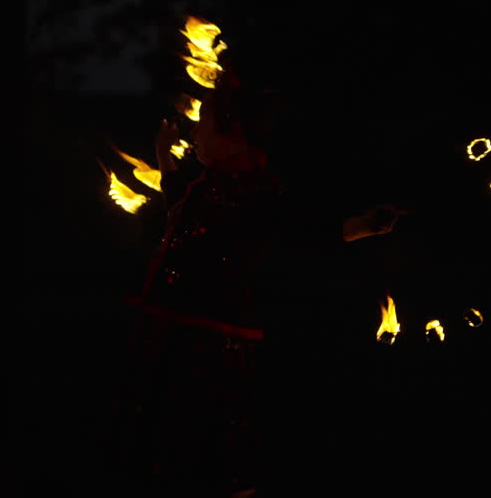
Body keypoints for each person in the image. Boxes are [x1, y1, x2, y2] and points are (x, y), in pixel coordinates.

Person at [123, 54, 405, 497]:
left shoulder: (259, 193)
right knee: (159, 446)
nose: (194, 133)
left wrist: (361, 226)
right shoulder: (208, 186)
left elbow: (304, 229)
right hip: (170, 331)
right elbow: (178, 203)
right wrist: (163, 158)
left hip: (214, 343)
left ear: (233, 136)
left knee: (208, 446)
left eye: (204, 124)